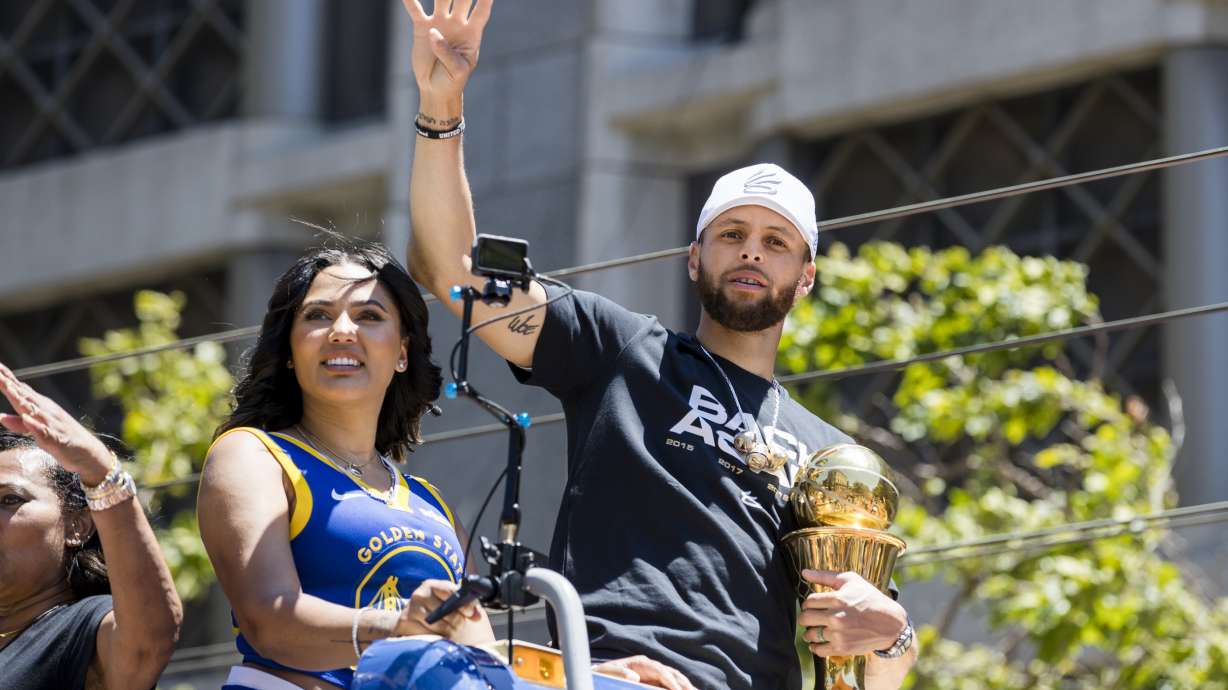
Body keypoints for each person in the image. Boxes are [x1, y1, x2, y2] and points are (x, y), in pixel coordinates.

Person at [400, 2, 918, 689]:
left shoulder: (831, 459)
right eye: (731, 235)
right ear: (694, 258)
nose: (751, 253)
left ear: (807, 275)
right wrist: (443, 106)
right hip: (614, 677)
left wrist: (894, 633)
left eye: (775, 242)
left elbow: (864, 662)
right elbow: (456, 273)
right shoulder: (623, 351)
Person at [197, 239, 494, 690]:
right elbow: (268, 619)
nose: (341, 331)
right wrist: (394, 629)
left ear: (402, 352)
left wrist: (580, 675)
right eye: (317, 315)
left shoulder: (432, 503)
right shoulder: (253, 455)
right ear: (290, 352)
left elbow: (483, 658)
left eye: (369, 316)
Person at [0, 365, 183, 690]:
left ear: (77, 525)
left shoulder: (84, 628)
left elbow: (148, 642)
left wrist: (99, 471)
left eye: (9, 500)